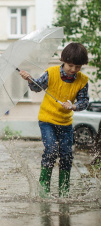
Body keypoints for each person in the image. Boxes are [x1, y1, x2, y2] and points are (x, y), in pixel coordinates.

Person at [20, 42, 89, 197]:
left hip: (66, 123)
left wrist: (74, 106)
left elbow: (84, 102)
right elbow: (37, 87)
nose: (73, 70)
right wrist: (30, 79)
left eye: (78, 67)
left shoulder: (82, 80)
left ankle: (63, 193)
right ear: (63, 61)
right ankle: (44, 192)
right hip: (47, 120)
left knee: (66, 155)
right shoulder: (51, 73)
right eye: (70, 65)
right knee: (51, 151)